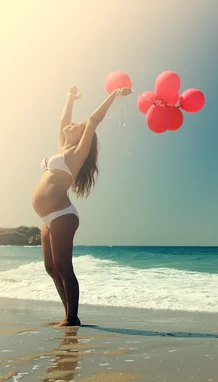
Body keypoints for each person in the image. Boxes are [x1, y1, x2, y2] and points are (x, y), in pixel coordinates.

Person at [32, 85, 132, 326]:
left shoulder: (76, 153)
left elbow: (93, 120)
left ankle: (72, 318)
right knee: (50, 267)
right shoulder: (60, 149)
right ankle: (67, 313)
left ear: (81, 135)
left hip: (62, 215)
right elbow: (62, 120)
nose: (72, 124)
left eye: (76, 126)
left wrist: (113, 95)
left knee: (64, 267)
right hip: (46, 218)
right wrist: (70, 98)